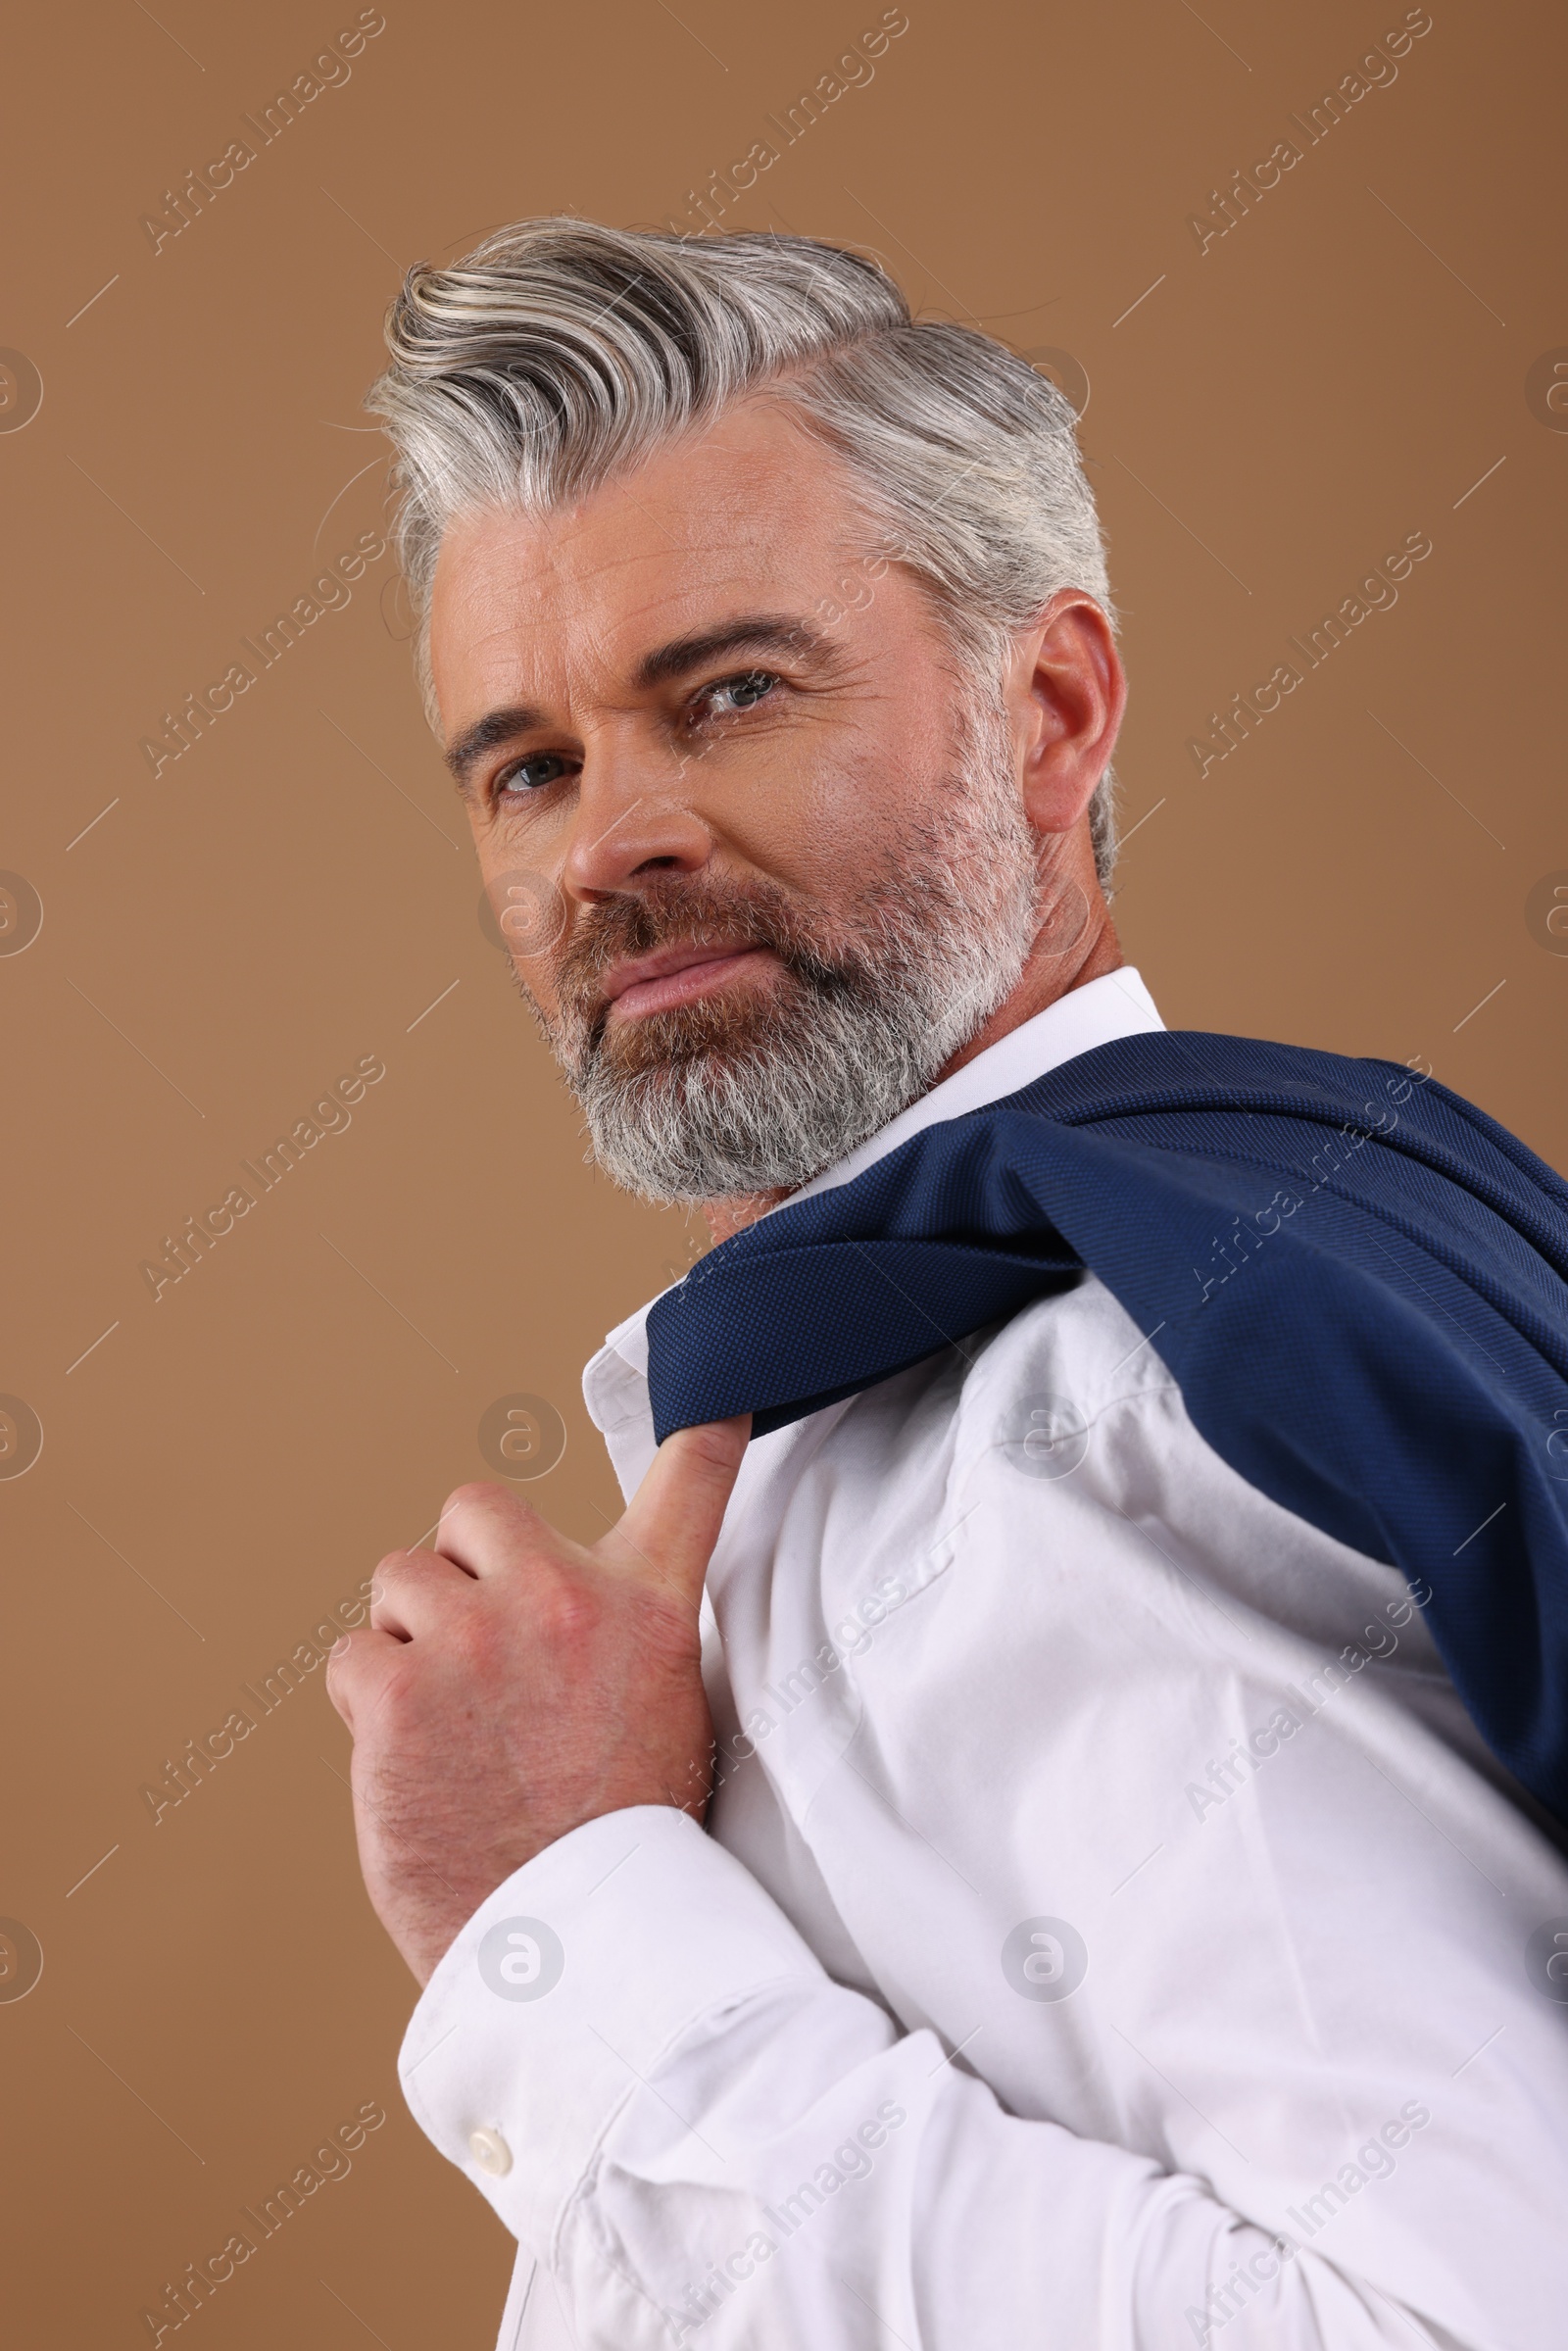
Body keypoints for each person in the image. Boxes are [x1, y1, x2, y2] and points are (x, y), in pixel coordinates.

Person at [325, 220, 1568, 2349]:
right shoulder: (1094, 1307)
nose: (605, 841)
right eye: (528, 766)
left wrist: (570, 1917)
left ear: (1052, 714)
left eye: (724, 694)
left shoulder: (1087, 1413)